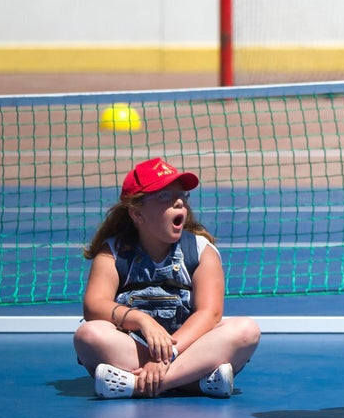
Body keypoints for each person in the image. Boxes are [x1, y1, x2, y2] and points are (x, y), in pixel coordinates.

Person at [73, 157, 261, 399]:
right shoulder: (114, 252)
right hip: (133, 350)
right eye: (164, 196)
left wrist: (166, 356)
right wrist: (142, 321)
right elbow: (94, 306)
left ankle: (140, 385)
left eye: (182, 195)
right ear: (136, 213)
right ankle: (193, 383)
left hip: (186, 349)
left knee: (246, 330)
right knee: (89, 335)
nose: (179, 201)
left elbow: (210, 314)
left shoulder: (200, 250)